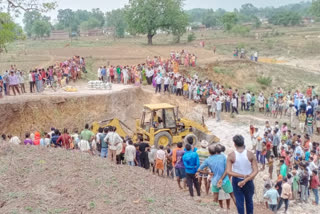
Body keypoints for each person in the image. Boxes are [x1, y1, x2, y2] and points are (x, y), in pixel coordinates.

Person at [226, 135, 258, 214]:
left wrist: (242, 176)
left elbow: (229, 171)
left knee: (239, 202)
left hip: (236, 180)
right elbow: (256, 170)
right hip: (249, 180)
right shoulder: (250, 154)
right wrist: (246, 178)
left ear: (234, 144)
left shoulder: (231, 155)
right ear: (243, 143)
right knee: (249, 201)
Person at [198, 144, 235, 210]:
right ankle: (235, 209)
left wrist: (208, 173)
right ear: (216, 151)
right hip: (225, 180)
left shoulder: (208, 160)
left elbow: (199, 170)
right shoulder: (223, 157)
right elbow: (227, 169)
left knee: (216, 196)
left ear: (209, 152)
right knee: (231, 195)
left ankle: (219, 209)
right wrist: (221, 179)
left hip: (215, 181)